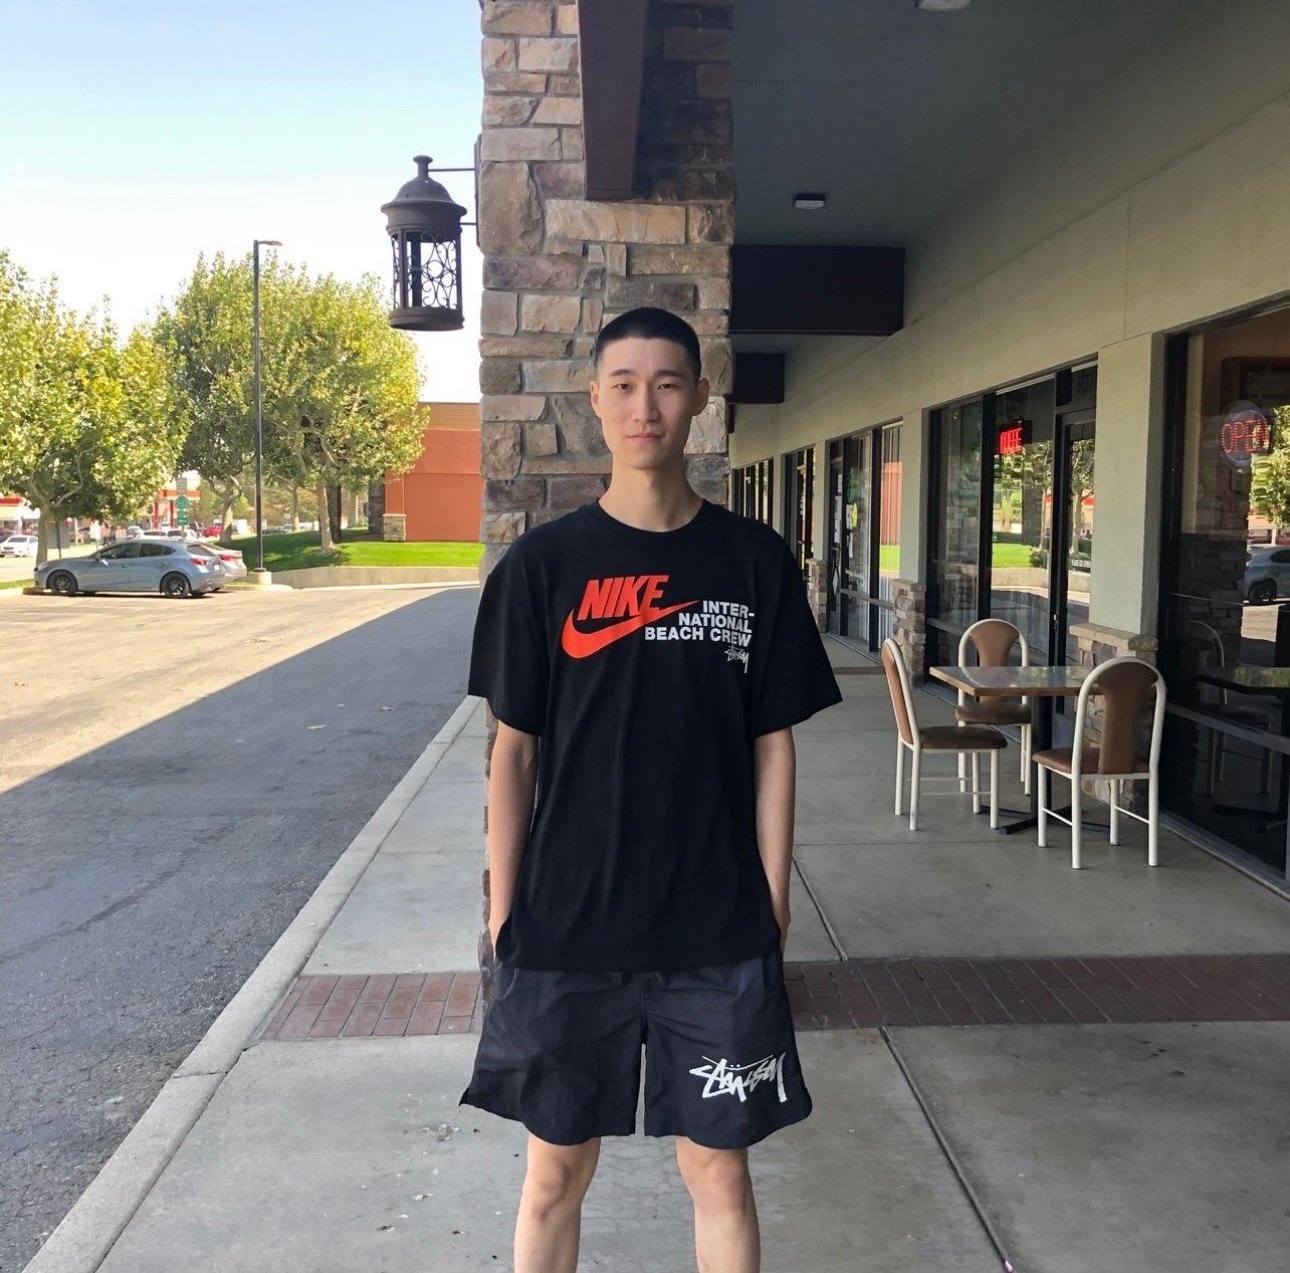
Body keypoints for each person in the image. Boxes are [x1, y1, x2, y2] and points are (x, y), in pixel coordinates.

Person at [464, 306, 842, 1273]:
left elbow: (772, 747)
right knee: (555, 1173)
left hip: (714, 926)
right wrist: (507, 912)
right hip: (567, 925)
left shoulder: (752, 562)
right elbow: (513, 753)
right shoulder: (542, 568)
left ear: (700, 399)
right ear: (595, 399)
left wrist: (774, 900)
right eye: (625, 386)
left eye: (667, 384)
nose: (646, 407)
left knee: (720, 1174)